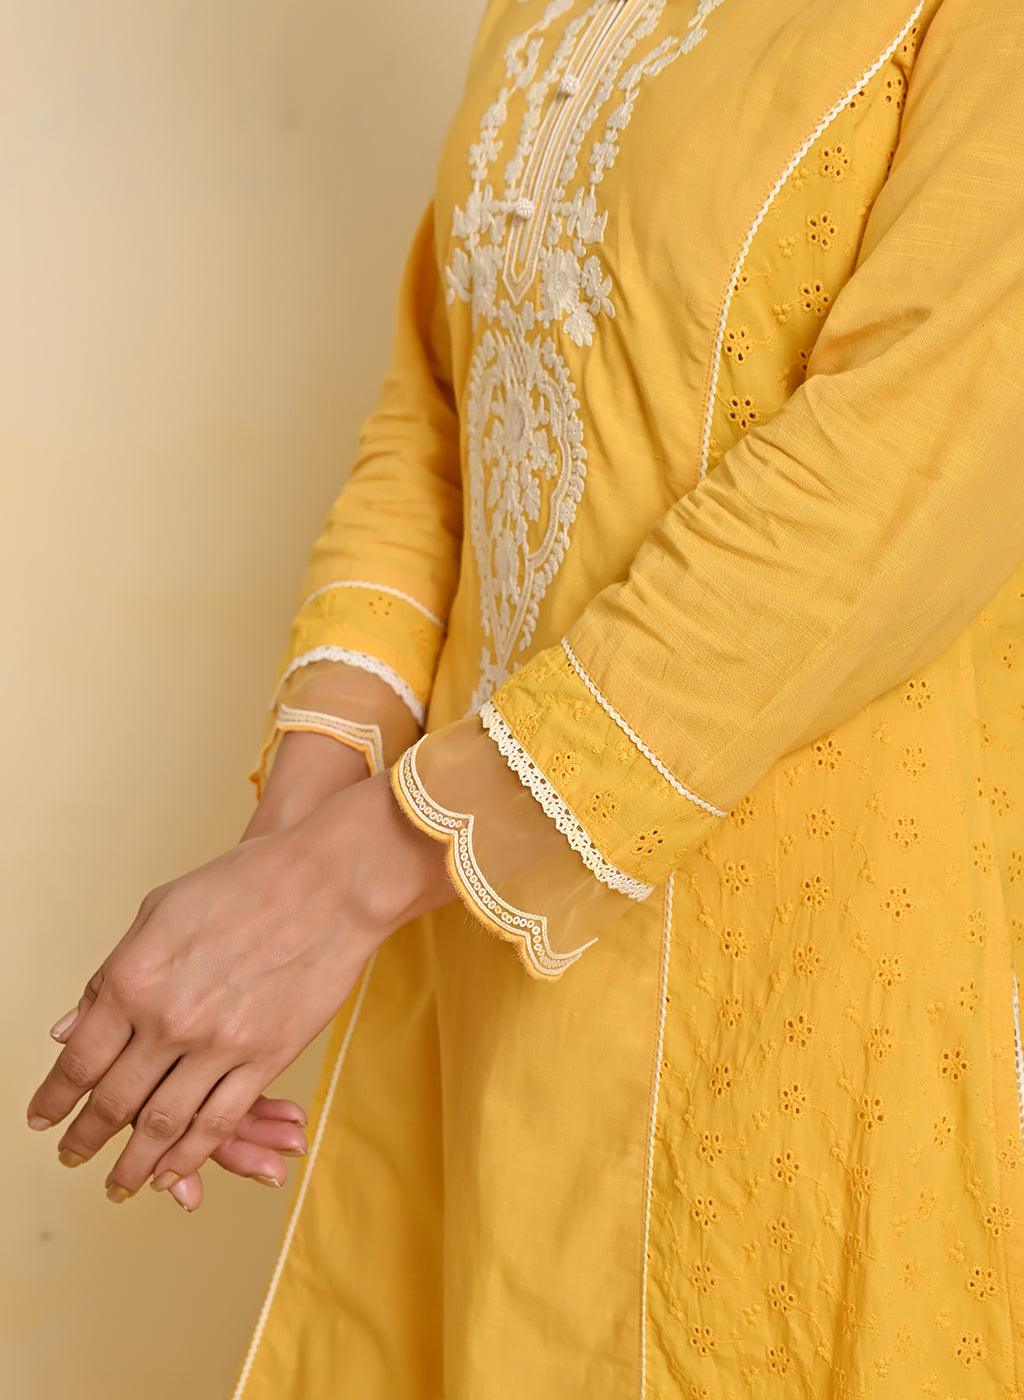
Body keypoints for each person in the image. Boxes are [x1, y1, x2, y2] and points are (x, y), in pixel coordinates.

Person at [27, 0, 1024, 1392]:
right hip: (479, 946)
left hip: (813, 981)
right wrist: (292, 850)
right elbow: (439, 414)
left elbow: (905, 482)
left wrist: (347, 879)